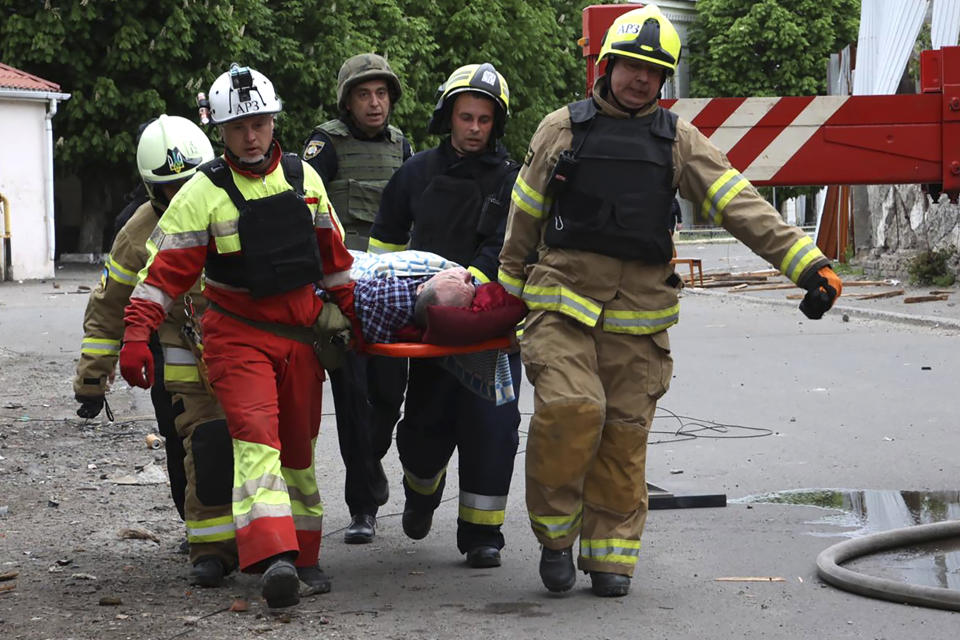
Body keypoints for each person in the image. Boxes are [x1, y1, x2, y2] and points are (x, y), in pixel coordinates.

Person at [497, 4, 843, 598]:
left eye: (653, 71)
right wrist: (505, 297)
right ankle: (556, 538)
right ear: (607, 66)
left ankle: (610, 557)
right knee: (573, 411)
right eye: (631, 65)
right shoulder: (561, 129)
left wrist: (807, 264)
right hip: (562, 305)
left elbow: (738, 202)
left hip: (639, 321)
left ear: (664, 81)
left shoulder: (678, 140)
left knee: (624, 438)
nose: (640, 78)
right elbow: (524, 215)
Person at [119, 63, 358, 609]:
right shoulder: (203, 190)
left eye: (259, 124)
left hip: (299, 336)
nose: (250, 137)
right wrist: (136, 336)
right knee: (256, 441)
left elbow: (336, 261)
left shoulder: (303, 178)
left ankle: (305, 552)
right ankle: (274, 557)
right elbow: (160, 274)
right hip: (237, 337)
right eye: (237, 128)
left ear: (274, 122)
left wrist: (354, 318)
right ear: (220, 132)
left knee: (298, 449)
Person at [369, 62, 522, 568]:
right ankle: (421, 492)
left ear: (495, 123)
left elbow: (508, 251)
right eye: (466, 117)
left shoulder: (513, 180)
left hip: (489, 333)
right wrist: (385, 310)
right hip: (428, 331)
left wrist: (470, 289)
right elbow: (384, 251)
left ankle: (482, 536)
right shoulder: (415, 174)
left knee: (492, 430)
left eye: (484, 119)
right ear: (448, 117)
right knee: (424, 430)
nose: (475, 128)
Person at [74, 115, 237, 587]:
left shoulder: (241, 203)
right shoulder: (138, 234)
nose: (183, 195)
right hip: (174, 346)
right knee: (195, 442)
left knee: (263, 442)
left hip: (243, 341)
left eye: (191, 181)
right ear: (151, 189)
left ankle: (266, 537)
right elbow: (107, 308)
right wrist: (91, 379)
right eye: (171, 188)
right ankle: (207, 541)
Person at [302, 53, 413, 545]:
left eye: (382, 93)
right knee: (352, 401)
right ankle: (362, 507)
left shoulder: (402, 146)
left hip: (391, 293)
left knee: (390, 394)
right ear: (347, 100)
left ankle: (370, 464)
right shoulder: (324, 144)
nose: (375, 103)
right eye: (365, 94)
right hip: (342, 296)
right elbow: (301, 210)